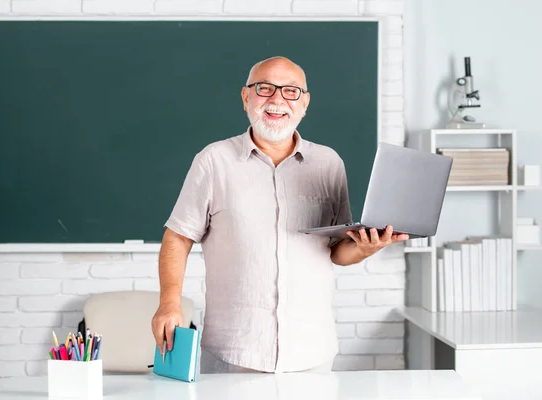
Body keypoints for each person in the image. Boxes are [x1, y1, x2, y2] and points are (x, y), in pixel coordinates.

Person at [151, 56, 409, 374]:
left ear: (304, 103)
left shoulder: (329, 164)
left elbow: (337, 252)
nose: (277, 100)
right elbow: (178, 236)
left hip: (312, 350)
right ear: (246, 97)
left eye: (291, 91)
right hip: (234, 351)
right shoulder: (213, 161)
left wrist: (366, 247)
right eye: (265, 88)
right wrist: (169, 303)